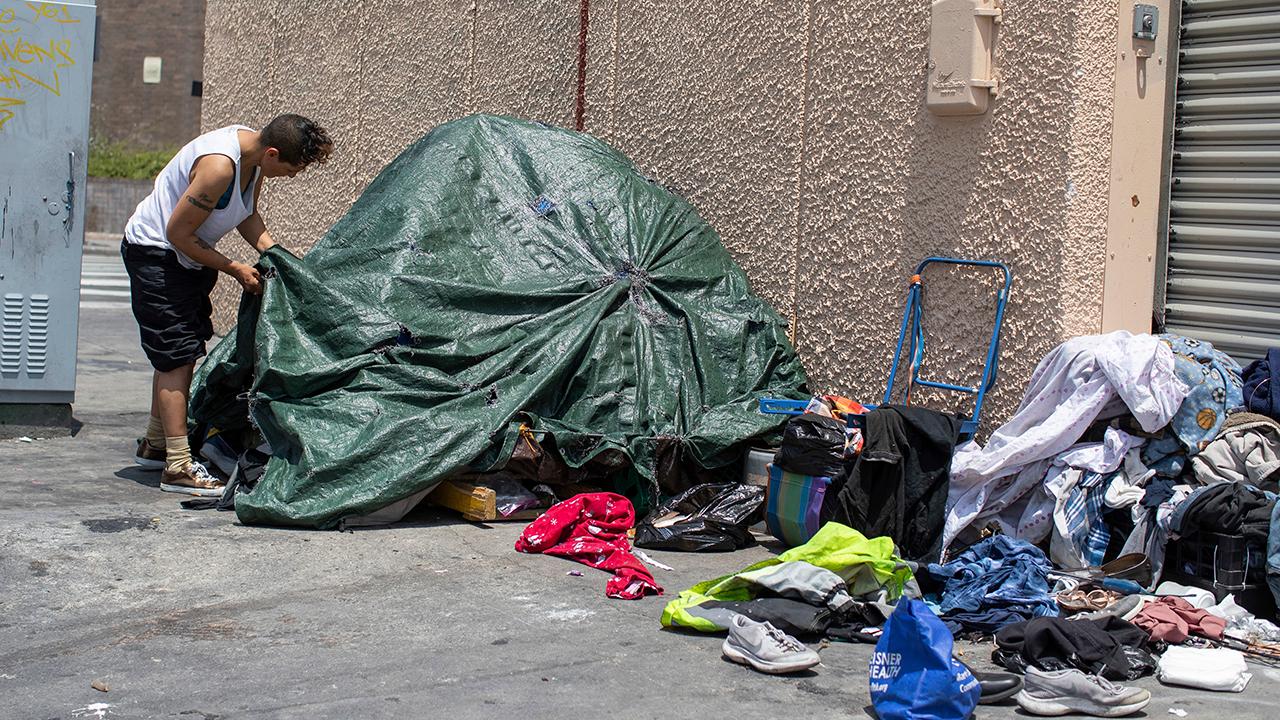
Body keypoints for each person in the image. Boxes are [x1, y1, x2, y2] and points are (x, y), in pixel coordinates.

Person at [121, 114, 333, 496]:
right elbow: (178, 232)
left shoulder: (252, 163)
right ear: (271, 153)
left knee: (183, 349)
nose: (293, 177)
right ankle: (178, 465)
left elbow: (247, 215)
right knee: (176, 355)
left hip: (185, 259)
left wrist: (277, 256)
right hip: (158, 255)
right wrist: (234, 268)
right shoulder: (220, 166)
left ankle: (156, 443)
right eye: (291, 169)